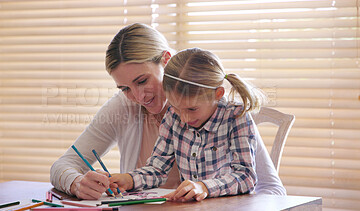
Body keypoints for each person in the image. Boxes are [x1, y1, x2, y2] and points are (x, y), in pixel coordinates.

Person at [50, 23, 286, 200]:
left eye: (142, 80)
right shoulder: (129, 107)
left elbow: (267, 187)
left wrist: (207, 188)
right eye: (125, 88)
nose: (138, 97)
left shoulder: (224, 111)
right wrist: (78, 183)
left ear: (166, 60)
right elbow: (63, 165)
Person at [110, 48, 261, 202]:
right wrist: (129, 180)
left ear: (218, 94)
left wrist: (204, 187)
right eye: (176, 107)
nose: (184, 118)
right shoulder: (172, 117)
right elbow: (157, 169)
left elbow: (246, 176)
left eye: (192, 109)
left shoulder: (236, 116)